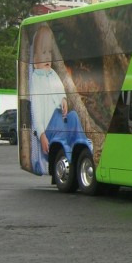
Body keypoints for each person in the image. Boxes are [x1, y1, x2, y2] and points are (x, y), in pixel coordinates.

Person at [30, 25, 90, 174]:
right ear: (34, 59)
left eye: (49, 53)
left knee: (74, 116)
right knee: (58, 119)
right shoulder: (36, 78)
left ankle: (81, 141)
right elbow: (36, 109)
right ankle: (66, 148)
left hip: (59, 120)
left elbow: (60, 89)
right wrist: (41, 134)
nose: (47, 58)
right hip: (49, 128)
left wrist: (63, 99)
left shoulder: (52, 73)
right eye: (42, 53)